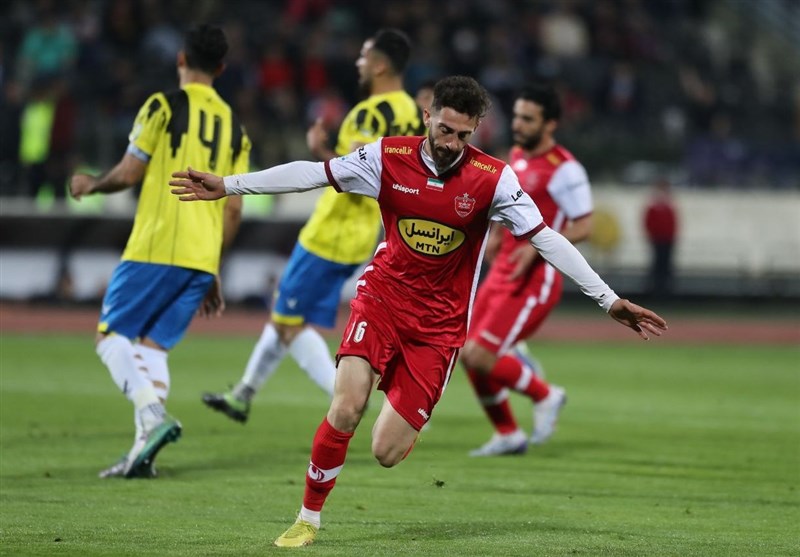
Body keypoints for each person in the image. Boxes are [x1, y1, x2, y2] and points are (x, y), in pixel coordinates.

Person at [170, 75, 667, 547]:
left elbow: (547, 239)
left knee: (385, 452)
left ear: (476, 130)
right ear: (428, 116)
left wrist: (609, 300)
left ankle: (407, 406)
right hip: (382, 300)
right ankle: (306, 519)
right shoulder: (387, 156)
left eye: (464, 135)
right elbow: (312, 174)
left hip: (439, 328)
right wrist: (229, 185)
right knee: (346, 406)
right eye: (445, 129)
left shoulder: (493, 179)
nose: (452, 143)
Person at [201, 28, 425, 424]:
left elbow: (354, 174)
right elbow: (386, 173)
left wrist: (320, 150)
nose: (358, 62)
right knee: (286, 312)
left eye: (363, 55)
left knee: (288, 322)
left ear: (379, 65)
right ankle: (243, 394)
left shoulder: (370, 113)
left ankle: (350, 401)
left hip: (332, 232)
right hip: (362, 233)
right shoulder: (410, 111)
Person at [69, 24, 251, 479]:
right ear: (221, 68)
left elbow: (130, 173)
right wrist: (214, 266)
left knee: (111, 337)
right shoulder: (236, 127)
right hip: (201, 257)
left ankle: (152, 416)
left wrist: (92, 184)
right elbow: (234, 208)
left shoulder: (163, 105)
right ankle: (140, 454)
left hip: (157, 245)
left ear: (180, 59)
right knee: (153, 350)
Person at [460, 83, 594, 456]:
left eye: (528, 119)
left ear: (550, 124)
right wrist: (497, 236)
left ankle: (545, 394)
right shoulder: (516, 156)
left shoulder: (566, 169)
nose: (517, 124)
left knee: (480, 356)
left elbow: (584, 226)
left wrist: (534, 250)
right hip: (502, 271)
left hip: (535, 278)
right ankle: (508, 433)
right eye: (517, 116)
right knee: (463, 350)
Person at [643, 178, 678, 297]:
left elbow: (673, 223)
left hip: (667, 240)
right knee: (657, 264)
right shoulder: (654, 206)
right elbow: (649, 223)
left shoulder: (668, 206)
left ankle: (666, 289)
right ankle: (656, 289)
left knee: (666, 265)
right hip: (657, 240)